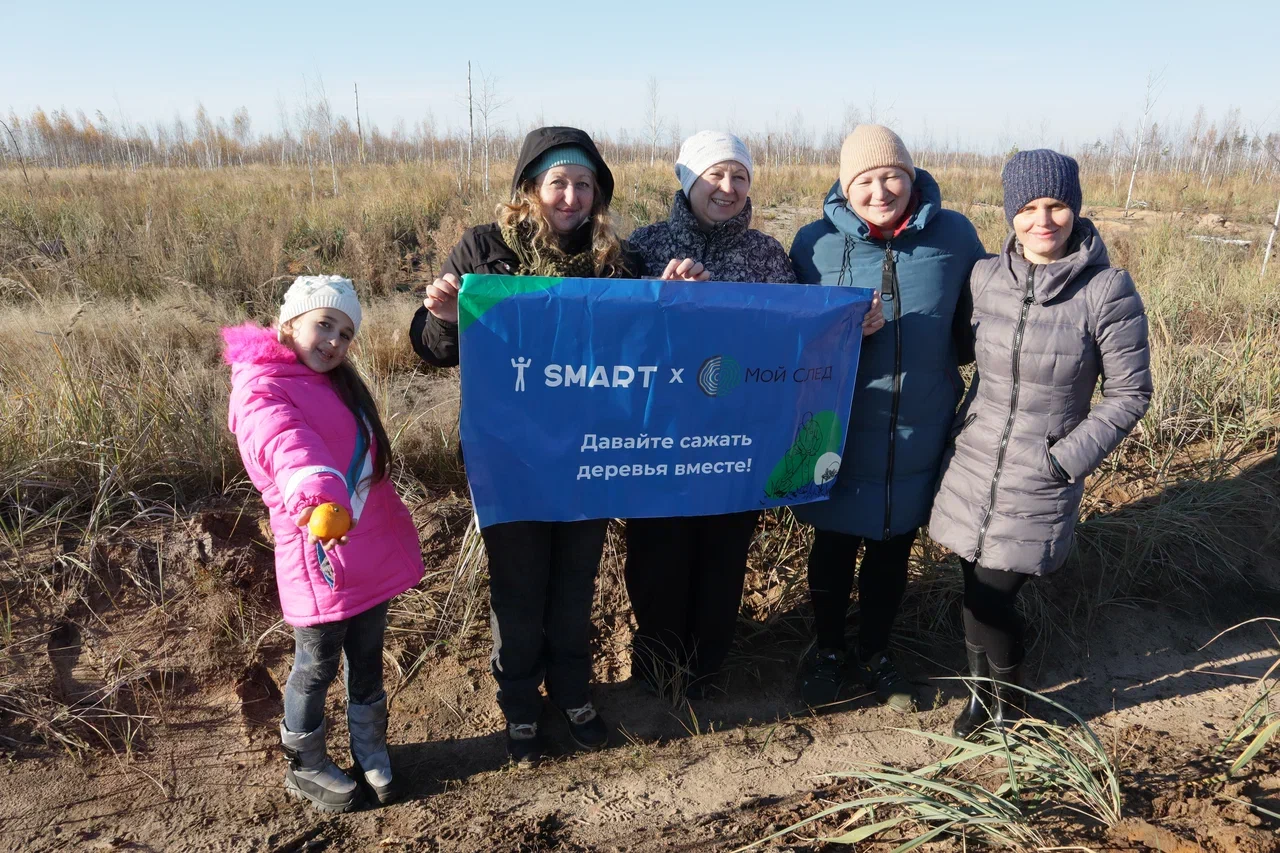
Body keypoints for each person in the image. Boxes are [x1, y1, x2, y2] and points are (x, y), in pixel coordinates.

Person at [411, 126, 691, 764]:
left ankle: (572, 692)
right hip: (509, 459)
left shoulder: (616, 261)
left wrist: (680, 297)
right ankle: (518, 704)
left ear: (598, 193)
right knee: (517, 587)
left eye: (584, 183)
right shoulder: (485, 249)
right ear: (531, 188)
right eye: (557, 182)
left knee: (574, 585)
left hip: (590, 458)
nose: (570, 196)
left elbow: (653, 345)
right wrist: (443, 316)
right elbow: (432, 351)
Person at [624, 131, 883, 700]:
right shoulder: (642, 247)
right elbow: (620, 340)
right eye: (715, 175)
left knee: (723, 555)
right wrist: (660, 301)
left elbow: (795, 338)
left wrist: (850, 325)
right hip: (660, 440)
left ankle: (708, 668)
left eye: (739, 176)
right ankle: (656, 668)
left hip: (736, 438)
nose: (728, 187)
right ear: (687, 179)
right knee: (657, 557)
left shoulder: (767, 254)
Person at [929, 150, 1152, 736]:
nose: (1042, 220)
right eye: (1027, 207)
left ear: (1075, 207)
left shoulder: (1107, 291)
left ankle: (1011, 703)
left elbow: (1130, 394)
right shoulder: (982, 277)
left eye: (1055, 205)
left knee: (992, 598)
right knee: (972, 587)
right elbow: (953, 352)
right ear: (1011, 213)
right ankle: (982, 696)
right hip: (973, 464)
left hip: (1040, 473)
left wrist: (1065, 460)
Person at [789, 125, 985, 713]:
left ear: (911, 175)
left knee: (892, 550)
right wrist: (840, 336)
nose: (880, 190)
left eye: (890, 176)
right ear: (846, 187)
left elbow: (972, 332)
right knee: (832, 545)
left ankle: (876, 651)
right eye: (865, 180)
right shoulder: (812, 245)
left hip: (917, 429)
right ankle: (826, 651)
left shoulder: (955, 237)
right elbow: (789, 341)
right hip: (837, 429)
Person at [224, 275, 425, 812]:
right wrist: (315, 493)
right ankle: (305, 761)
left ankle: (368, 745)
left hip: (364, 544)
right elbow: (284, 441)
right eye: (324, 324)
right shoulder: (261, 383)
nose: (334, 341)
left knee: (367, 654)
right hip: (318, 549)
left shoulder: (336, 381)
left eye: (345, 332)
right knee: (315, 665)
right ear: (290, 322)